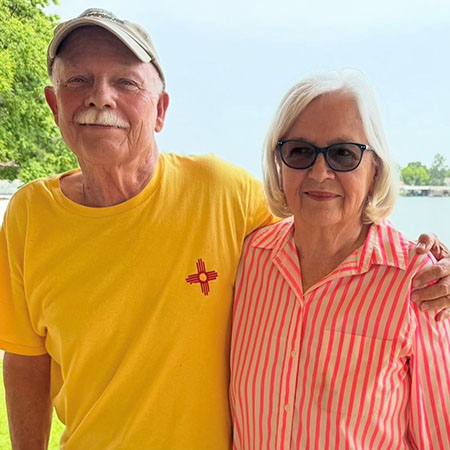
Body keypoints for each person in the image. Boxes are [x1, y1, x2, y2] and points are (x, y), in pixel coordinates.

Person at [0, 9, 448, 450]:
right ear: (54, 104)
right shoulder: (28, 216)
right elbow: (24, 360)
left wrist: (428, 261)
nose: (100, 97)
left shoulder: (222, 193)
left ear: (161, 110)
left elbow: (330, 220)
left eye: (126, 82)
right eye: (78, 80)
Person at [230, 70, 450, 449]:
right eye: (300, 151)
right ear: (279, 162)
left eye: (344, 154)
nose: (320, 172)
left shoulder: (416, 281)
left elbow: (437, 436)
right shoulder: (248, 260)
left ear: (375, 169)